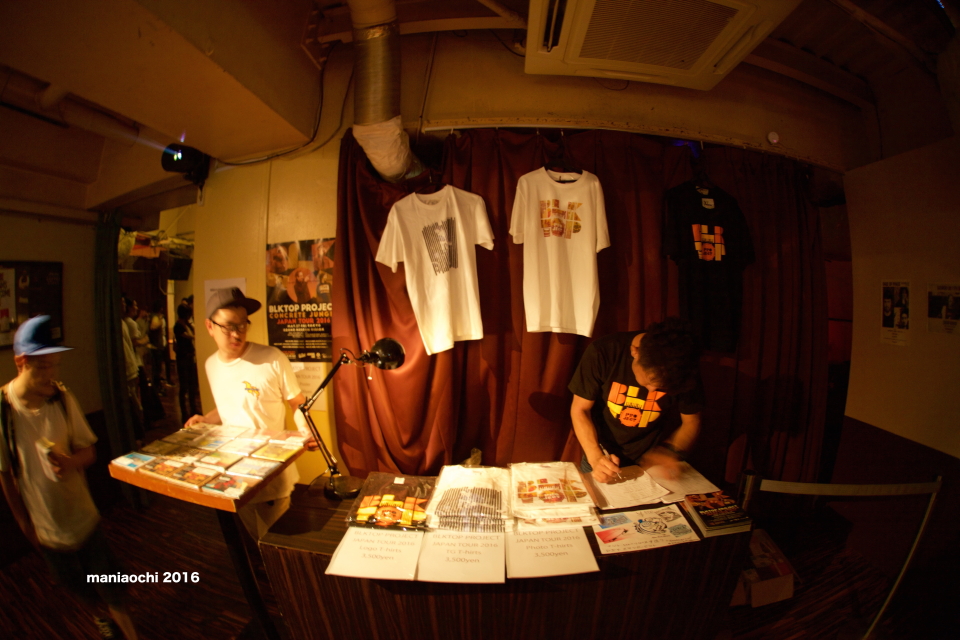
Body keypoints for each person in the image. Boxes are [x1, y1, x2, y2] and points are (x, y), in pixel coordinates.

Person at [0, 316, 138, 639]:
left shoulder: (62, 398)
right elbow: (5, 474)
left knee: (109, 584)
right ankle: (100, 618)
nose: (51, 374)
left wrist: (71, 461)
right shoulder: (3, 411)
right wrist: (24, 525)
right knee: (75, 585)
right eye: (43, 367)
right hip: (46, 527)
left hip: (84, 518)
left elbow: (90, 451)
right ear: (21, 362)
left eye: (55, 365)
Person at [184, 287, 317, 537]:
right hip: (233, 472)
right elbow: (231, 405)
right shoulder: (211, 364)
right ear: (209, 326)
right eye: (228, 326)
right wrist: (206, 419)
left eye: (243, 324)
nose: (237, 333)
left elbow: (297, 403)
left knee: (276, 543)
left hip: (271, 474)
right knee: (250, 538)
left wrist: (305, 430)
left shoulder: (271, 358)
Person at [569, 318, 704, 483]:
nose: (652, 391)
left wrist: (669, 452)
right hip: (602, 455)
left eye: (662, 388)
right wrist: (595, 457)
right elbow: (580, 409)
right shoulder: (604, 351)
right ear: (635, 352)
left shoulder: (683, 366)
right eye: (648, 382)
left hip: (652, 463)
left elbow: (691, 421)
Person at [173, 303, 200, 422]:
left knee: (192, 384)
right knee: (184, 385)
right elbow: (190, 336)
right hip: (183, 358)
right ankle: (184, 411)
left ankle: (193, 408)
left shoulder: (186, 324)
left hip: (189, 357)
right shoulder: (178, 326)